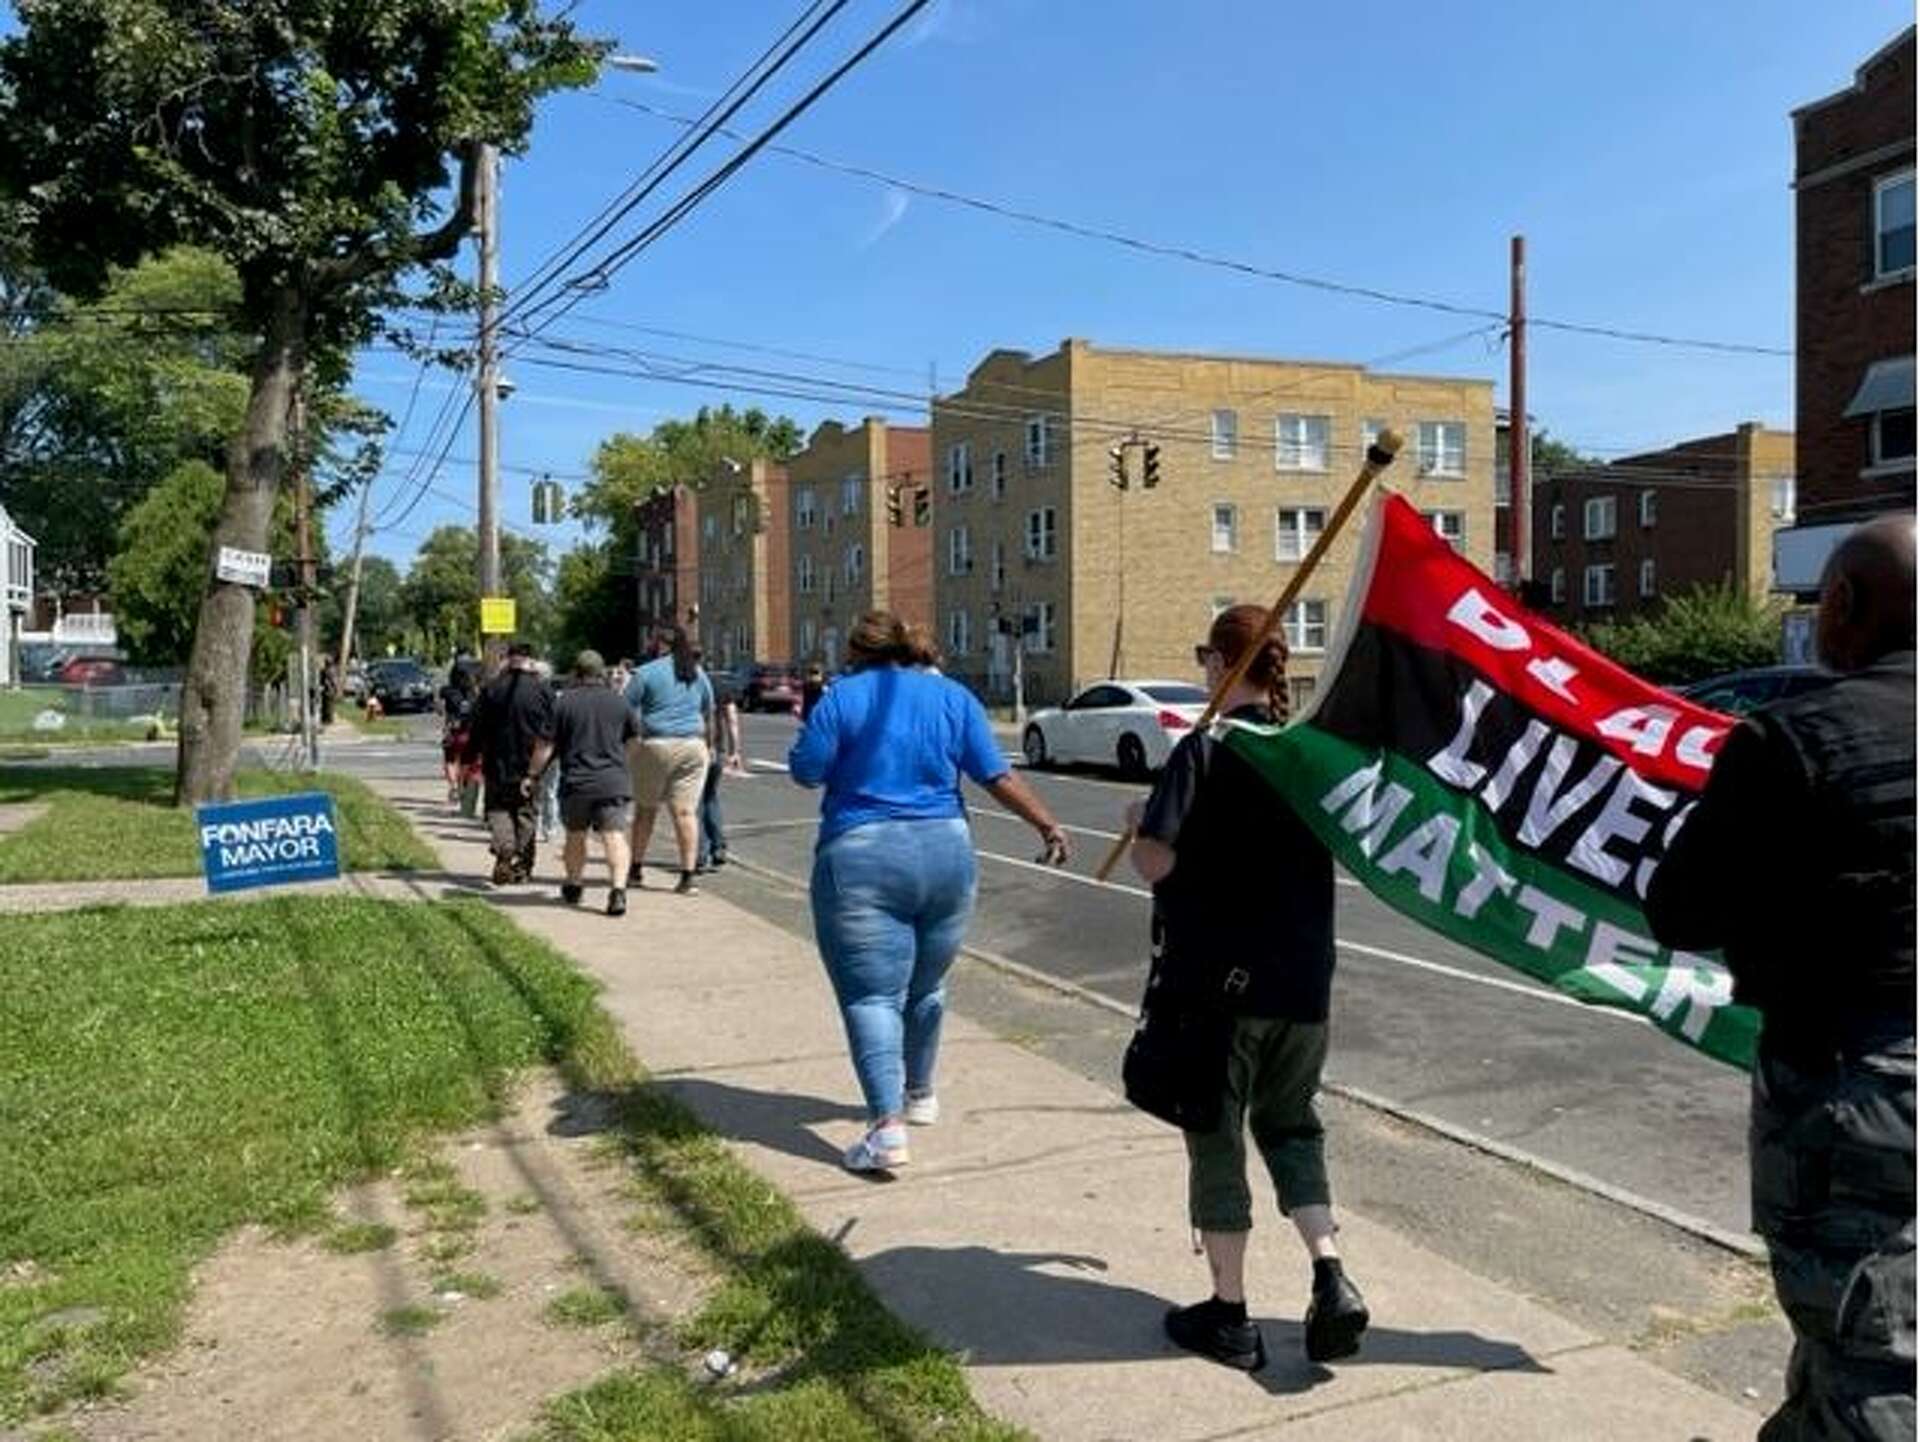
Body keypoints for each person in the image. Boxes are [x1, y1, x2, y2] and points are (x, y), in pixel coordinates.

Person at [1646, 515, 1915, 1442]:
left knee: (1872, 1365)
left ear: (1843, 606)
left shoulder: (1794, 739)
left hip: (1855, 1094)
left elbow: (1679, 911)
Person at [1124, 604, 1368, 1373]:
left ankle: (1230, 1315)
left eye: (1206, 655)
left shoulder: (1205, 748)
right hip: (1305, 984)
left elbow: (1158, 865)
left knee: (1217, 1137)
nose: (1201, 668)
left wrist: (1141, 824)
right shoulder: (1306, 754)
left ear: (1224, 664)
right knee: (1292, 1126)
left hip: (1220, 989)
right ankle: (1330, 1272)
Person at [789, 610, 1071, 1174]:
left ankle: (886, 1130)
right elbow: (997, 776)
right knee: (926, 985)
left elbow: (807, 771)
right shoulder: (955, 699)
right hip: (947, 852)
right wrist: (1046, 823)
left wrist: (820, 727)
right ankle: (920, 1095)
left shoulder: (842, 698)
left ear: (855, 651)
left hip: (862, 854)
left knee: (872, 997)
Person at [526, 650, 639, 917]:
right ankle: (618, 891)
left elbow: (546, 745)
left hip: (577, 781)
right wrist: (622, 762)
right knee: (614, 836)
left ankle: (575, 884)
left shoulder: (564, 703)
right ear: (602, 673)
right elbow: (635, 741)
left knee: (576, 835)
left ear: (576, 673)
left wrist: (532, 775)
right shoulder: (619, 702)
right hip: (612, 781)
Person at [625, 627, 713, 896]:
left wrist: (633, 740)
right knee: (685, 812)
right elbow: (708, 708)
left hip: (657, 744)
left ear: (660, 643)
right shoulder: (697, 672)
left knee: (646, 810)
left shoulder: (646, 673)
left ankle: (636, 869)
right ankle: (687, 876)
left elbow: (626, 707)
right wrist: (709, 745)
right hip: (693, 746)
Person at [465, 642, 556, 885]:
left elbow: (476, 728)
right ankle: (523, 867)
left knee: (498, 809)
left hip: (497, 762)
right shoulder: (543, 691)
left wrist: (469, 757)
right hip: (531, 764)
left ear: (508, 659)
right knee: (526, 814)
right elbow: (552, 730)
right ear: (530, 660)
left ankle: (504, 848)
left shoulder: (492, 689)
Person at [698, 665, 743, 872]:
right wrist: (735, 752)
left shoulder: (687, 684)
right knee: (711, 797)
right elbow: (732, 720)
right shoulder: (720, 686)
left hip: (694, 749)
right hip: (718, 749)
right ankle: (718, 848)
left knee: (694, 803)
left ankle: (700, 853)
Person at [438, 665, 479, 806]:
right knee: (466, 761)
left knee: (450, 760)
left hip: (452, 730)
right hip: (469, 731)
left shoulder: (446, 691)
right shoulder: (474, 692)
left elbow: (439, 709)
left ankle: (454, 787)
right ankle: (463, 787)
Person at [318, 657, 338, 727]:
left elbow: (333, 681)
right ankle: (326, 719)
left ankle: (328, 719)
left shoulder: (329, 670)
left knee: (328, 705)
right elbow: (323, 680)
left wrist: (335, 687)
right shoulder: (326, 671)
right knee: (327, 705)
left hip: (328, 690)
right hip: (327, 690)